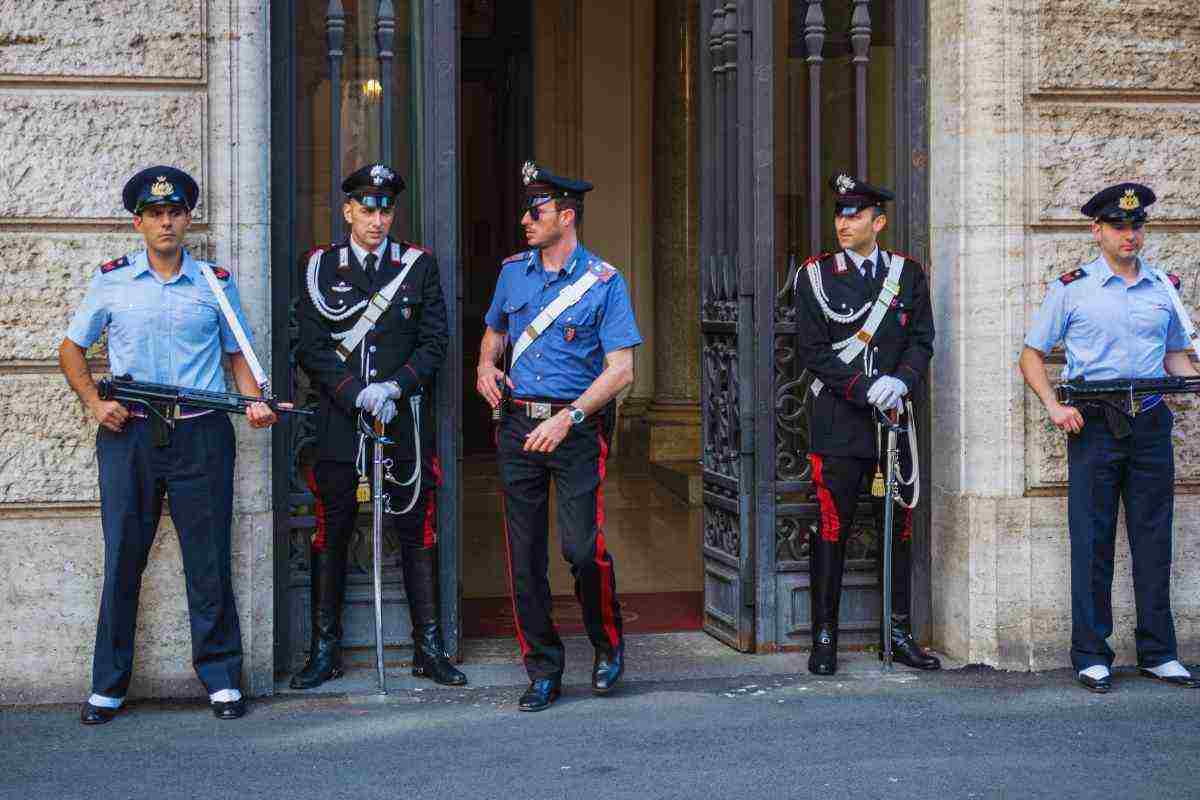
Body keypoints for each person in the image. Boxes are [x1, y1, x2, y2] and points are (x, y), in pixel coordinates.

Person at [59, 166, 279, 724]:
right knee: (122, 560)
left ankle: (222, 679)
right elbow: (71, 349)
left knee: (208, 563)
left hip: (202, 431)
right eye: (155, 214)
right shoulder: (111, 280)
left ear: (187, 219)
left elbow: (238, 356)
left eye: (174, 213)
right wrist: (93, 402)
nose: (165, 222)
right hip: (129, 434)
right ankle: (108, 685)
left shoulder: (215, 282)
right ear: (139, 222)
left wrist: (254, 402)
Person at [1020, 182, 1200, 693]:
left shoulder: (1164, 288)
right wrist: (1055, 406)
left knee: (1153, 539)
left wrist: (1193, 374)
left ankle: (1159, 652)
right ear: (1096, 230)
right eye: (1119, 226)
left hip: (1147, 419)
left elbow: (1176, 357)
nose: (1129, 234)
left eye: (1136, 225)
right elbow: (1032, 354)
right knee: (1093, 540)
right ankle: (1091, 653)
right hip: (1094, 423)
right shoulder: (1071, 288)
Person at [475, 161, 641, 711]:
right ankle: (543, 668)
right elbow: (495, 331)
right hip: (519, 424)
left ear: (566, 217)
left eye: (536, 211)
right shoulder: (513, 273)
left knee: (580, 548)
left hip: (573, 428)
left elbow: (622, 371)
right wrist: (484, 367)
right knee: (523, 556)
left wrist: (567, 418)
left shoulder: (605, 282)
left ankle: (607, 645)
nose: (525, 219)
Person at [293, 162, 465, 689]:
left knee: (417, 526)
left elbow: (435, 342)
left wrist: (395, 387)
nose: (377, 219)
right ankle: (325, 651)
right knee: (334, 526)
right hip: (342, 422)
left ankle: (428, 647)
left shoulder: (418, 266)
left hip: (401, 420)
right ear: (348, 211)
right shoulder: (320, 267)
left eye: (385, 209)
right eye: (367, 208)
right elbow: (308, 345)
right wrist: (353, 392)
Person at [792, 172, 939, 675]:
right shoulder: (815, 275)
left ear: (879, 221)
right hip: (839, 419)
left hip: (893, 419)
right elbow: (810, 351)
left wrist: (900, 381)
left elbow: (923, 339)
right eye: (840, 213)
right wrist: (861, 388)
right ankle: (825, 635)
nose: (844, 222)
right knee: (833, 526)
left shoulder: (908, 274)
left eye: (855, 214)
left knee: (897, 526)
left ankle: (897, 631)